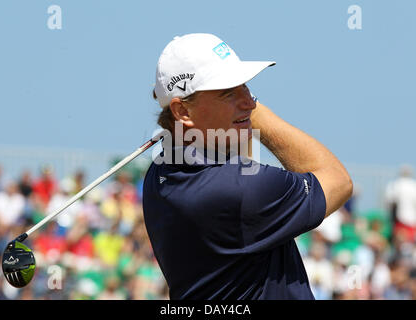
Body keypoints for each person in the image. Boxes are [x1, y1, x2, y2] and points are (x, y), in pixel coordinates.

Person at [142, 33, 353, 300]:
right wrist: (253, 116)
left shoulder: (159, 174)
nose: (250, 101)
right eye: (229, 92)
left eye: (245, 86)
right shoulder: (240, 187)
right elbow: (339, 181)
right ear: (183, 112)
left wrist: (234, 112)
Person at [385, 164, 416, 243]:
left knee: (400, 242)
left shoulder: (395, 185)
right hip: (412, 220)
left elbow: (389, 201)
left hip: (400, 219)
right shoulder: (413, 185)